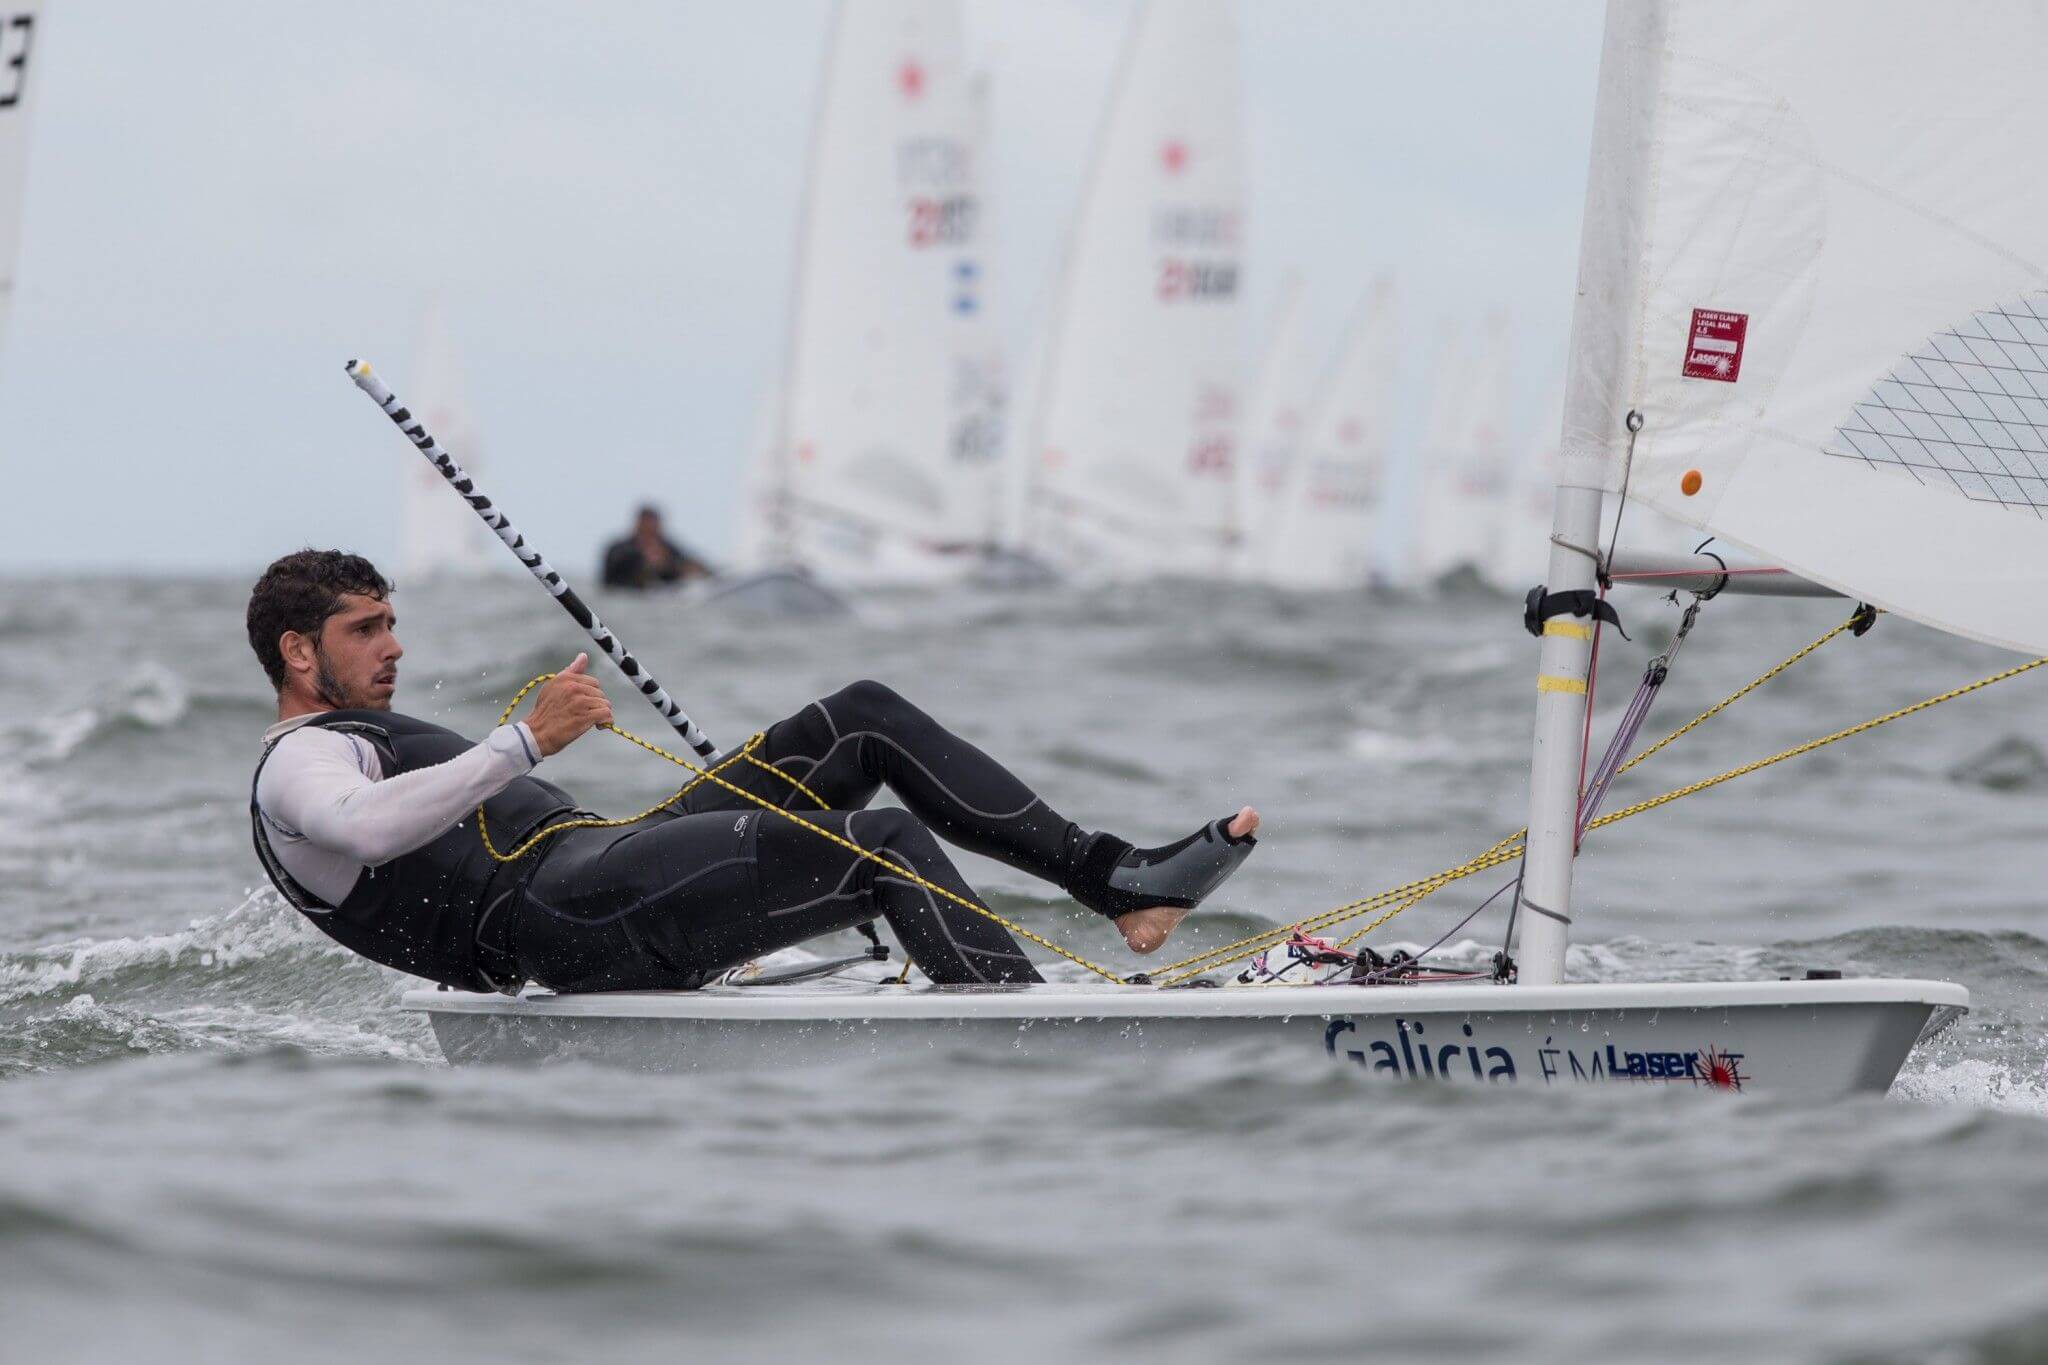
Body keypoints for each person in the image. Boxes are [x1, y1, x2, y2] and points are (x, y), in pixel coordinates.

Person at [247, 549, 1260, 994]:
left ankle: (1114, 879)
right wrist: (525, 742)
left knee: (858, 719)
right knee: (881, 847)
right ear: (299, 653)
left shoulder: (362, 731)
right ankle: (1028, 1022)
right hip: (556, 921)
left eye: (392, 624)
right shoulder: (295, 768)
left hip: (600, 857)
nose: (394, 648)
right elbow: (370, 830)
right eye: (365, 630)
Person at [600, 504, 713, 589]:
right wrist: (643, 559)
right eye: (646, 528)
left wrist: (668, 564)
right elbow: (612, 570)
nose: (649, 533)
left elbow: (687, 562)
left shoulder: (666, 548)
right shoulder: (619, 549)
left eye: (653, 528)